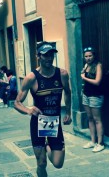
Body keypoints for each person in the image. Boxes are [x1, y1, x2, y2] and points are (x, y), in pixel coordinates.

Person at [14, 41, 72, 177]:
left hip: (54, 123)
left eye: (51, 54)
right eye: (46, 55)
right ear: (38, 56)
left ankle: (46, 146)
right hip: (38, 123)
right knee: (41, 164)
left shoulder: (62, 74)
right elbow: (16, 102)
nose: (49, 58)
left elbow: (68, 92)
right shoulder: (31, 78)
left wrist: (68, 112)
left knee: (58, 163)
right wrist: (28, 110)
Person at [81, 47, 104, 152]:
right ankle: (93, 141)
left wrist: (84, 77)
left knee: (97, 119)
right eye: (86, 56)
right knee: (89, 118)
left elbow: (97, 82)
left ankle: (100, 143)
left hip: (96, 95)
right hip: (86, 94)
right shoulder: (86, 66)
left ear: (94, 55)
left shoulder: (98, 65)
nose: (88, 58)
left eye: (90, 56)